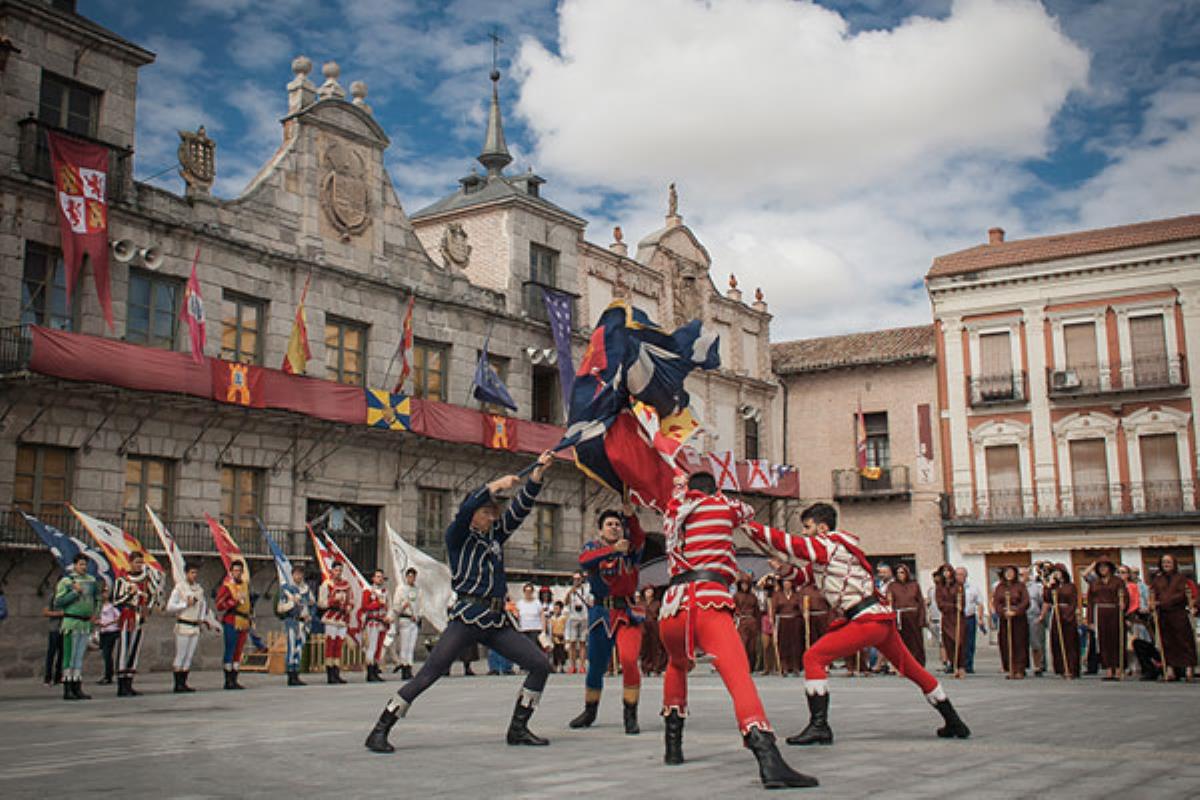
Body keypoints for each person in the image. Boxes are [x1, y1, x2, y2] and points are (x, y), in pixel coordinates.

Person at [365, 453, 555, 754]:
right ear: (474, 514)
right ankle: (380, 728)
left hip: (495, 620)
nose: (492, 517)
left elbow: (519, 511)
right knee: (430, 673)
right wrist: (495, 485)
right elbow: (465, 510)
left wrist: (536, 476)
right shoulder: (457, 537)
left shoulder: (494, 538)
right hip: (467, 616)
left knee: (540, 665)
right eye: (486, 512)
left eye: (493, 513)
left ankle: (518, 728)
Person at [749, 502, 969, 750]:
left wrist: (751, 525)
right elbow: (803, 577)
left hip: (865, 619)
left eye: (807, 527)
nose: (804, 532)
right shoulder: (834, 550)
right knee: (911, 669)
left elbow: (790, 544)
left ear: (822, 528)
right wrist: (783, 569)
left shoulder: (828, 544)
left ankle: (819, 726)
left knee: (813, 658)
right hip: (877, 618)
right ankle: (954, 721)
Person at [658, 472, 817, 789]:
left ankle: (673, 747)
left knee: (676, 665)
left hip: (672, 608)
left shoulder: (673, 510)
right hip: (708, 601)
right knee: (739, 676)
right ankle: (767, 757)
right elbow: (747, 511)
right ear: (715, 489)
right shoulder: (721, 506)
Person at [570, 504, 646, 735]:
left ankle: (630, 713)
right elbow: (585, 560)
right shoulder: (593, 548)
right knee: (596, 664)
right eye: (609, 524)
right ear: (601, 530)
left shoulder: (631, 549)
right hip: (601, 613)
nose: (614, 527)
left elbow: (639, 535)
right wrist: (612, 550)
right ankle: (590, 710)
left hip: (626, 612)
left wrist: (631, 516)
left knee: (629, 659)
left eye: (617, 524)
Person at [53, 553, 100, 700]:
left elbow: (97, 598)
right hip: (71, 622)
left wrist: (95, 614)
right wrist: (74, 592)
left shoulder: (91, 580)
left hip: (85, 623)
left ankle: (77, 685)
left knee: (79, 656)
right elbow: (58, 602)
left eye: (85, 564)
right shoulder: (67, 581)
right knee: (69, 656)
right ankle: (67, 687)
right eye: (81, 564)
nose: (83, 567)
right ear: (75, 565)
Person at [113, 551, 159, 696]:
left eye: (141, 562)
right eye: (136, 562)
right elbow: (116, 600)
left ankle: (129, 682)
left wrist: (148, 607)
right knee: (124, 649)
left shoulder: (146, 580)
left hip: (139, 617)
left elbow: (152, 596)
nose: (139, 565)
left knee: (134, 649)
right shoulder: (122, 580)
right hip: (127, 616)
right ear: (130, 562)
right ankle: (121, 685)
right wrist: (130, 594)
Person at [1150, 554, 1198, 681]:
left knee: (1184, 641)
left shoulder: (1181, 578)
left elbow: (1183, 594)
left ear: (1174, 564)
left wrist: (1164, 602)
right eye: (1164, 562)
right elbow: (1153, 594)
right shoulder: (1157, 580)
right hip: (1164, 615)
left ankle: (1188, 669)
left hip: (1178, 613)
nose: (1166, 564)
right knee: (1167, 642)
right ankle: (1170, 669)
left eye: (1169, 562)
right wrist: (1153, 604)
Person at [165, 563, 209, 693]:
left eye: (195, 573)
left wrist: (201, 618)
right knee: (181, 654)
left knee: (189, 655)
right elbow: (170, 606)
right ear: (186, 573)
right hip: (184, 623)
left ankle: (184, 682)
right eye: (191, 573)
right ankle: (177, 683)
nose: (194, 575)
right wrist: (185, 604)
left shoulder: (199, 589)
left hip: (194, 624)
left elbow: (203, 605)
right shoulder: (180, 588)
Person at [1087, 560, 1129, 681]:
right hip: (1100, 613)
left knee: (1116, 640)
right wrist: (1090, 620)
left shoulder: (1118, 581)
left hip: (1114, 612)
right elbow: (1090, 602)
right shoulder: (1095, 583)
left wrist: (1123, 604)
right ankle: (1109, 669)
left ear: (1110, 568)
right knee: (1104, 642)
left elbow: (1125, 596)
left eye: (1105, 567)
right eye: (1100, 567)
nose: (1103, 569)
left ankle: (1119, 668)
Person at [1039, 564, 1080, 679]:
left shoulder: (1070, 586)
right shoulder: (1054, 587)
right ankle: (1061, 667)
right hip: (1056, 614)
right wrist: (1048, 585)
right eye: (1054, 572)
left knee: (1069, 642)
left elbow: (1073, 602)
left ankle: (1071, 668)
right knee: (1057, 640)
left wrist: (1068, 615)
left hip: (1067, 615)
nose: (1056, 574)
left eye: (1058, 572)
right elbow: (1047, 598)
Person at [215, 560, 252, 690]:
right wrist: (233, 602)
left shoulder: (245, 585)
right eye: (235, 571)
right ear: (231, 572)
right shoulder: (227, 586)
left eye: (239, 571)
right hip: (232, 619)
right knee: (230, 649)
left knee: (239, 651)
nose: (237, 573)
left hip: (244, 620)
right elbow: (219, 605)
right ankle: (228, 679)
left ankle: (235, 678)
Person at [277, 566, 315, 686]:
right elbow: (280, 608)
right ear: (292, 575)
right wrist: (292, 603)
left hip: (303, 623)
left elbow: (312, 603)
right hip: (292, 621)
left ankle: (296, 672)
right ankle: (290, 673)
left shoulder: (306, 589)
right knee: (292, 647)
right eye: (296, 574)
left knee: (299, 648)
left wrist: (310, 615)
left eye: (300, 574)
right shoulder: (287, 589)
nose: (299, 576)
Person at [318, 560, 354, 684]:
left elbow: (351, 599)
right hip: (331, 618)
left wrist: (349, 606)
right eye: (336, 570)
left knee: (339, 645)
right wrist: (333, 601)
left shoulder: (346, 585)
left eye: (340, 570)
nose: (338, 573)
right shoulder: (327, 584)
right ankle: (330, 674)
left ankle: (336, 672)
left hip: (342, 618)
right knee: (331, 645)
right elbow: (321, 603)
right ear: (332, 571)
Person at [991, 565, 1030, 679]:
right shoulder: (1000, 587)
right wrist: (1003, 612)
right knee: (1006, 643)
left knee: (1019, 643)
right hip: (1005, 618)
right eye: (1007, 572)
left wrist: (1015, 611)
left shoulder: (1020, 586)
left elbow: (1026, 601)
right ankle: (1011, 668)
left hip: (1018, 619)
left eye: (1011, 572)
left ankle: (1020, 669)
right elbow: (996, 602)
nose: (1009, 574)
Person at [886, 564, 926, 666]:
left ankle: (918, 664)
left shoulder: (914, 585)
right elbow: (889, 602)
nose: (900, 575)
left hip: (913, 617)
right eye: (898, 573)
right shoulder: (892, 586)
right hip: (900, 617)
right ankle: (905, 665)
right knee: (903, 642)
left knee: (916, 642)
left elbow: (920, 602)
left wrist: (922, 618)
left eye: (902, 572)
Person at [934, 565, 967, 678]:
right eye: (944, 571)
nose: (946, 573)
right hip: (947, 617)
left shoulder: (958, 585)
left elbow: (962, 601)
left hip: (958, 617)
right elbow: (940, 603)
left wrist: (959, 606)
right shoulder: (940, 587)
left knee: (959, 641)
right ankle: (954, 665)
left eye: (948, 571)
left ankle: (961, 666)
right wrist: (952, 606)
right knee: (948, 642)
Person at [360, 569, 391, 683]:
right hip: (372, 622)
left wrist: (388, 617)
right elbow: (364, 606)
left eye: (381, 577)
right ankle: (370, 672)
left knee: (379, 647)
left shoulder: (385, 592)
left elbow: (388, 606)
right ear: (373, 578)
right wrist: (378, 604)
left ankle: (375, 670)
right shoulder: (368, 590)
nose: (380, 579)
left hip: (382, 622)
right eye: (377, 576)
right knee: (371, 647)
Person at [392, 567, 422, 680]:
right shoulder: (401, 589)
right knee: (404, 645)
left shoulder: (417, 590)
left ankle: (409, 666)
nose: (411, 579)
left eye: (413, 577)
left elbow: (420, 605)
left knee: (411, 646)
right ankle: (404, 667)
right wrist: (402, 607)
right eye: (409, 576)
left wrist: (418, 615)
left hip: (414, 620)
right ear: (406, 577)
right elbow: (396, 606)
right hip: (405, 618)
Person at [955, 566, 986, 674]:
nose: (959, 577)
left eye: (961, 574)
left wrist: (980, 618)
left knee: (969, 642)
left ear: (966, 576)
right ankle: (956, 663)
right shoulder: (952, 588)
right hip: (956, 618)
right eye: (957, 574)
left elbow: (980, 603)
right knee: (956, 641)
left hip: (969, 617)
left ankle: (968, 664)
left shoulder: (973, 588)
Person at [774, 577, 804, 677]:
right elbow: (773, 608)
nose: (787, 584)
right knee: (783, 644)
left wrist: (803, 610)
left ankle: (795, 666)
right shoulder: (778, 595)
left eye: (788, 583)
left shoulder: (796, 595)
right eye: (785, 583)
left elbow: (801, 607)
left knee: (795, 644)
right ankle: (784, 667)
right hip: (783, 621)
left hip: (794, 620)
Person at [1021, 566, 1046, 676]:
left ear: (1028, 575)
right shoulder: (1016, 587)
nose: (1021, 577)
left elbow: (1044, 602)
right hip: (1019, 617)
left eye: (1023, 574)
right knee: (1021, 644)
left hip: (1033, 616)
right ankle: (1022, 666)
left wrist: (1042, 616)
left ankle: (1038, 666)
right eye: (1019, 575)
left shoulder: (1036, 587)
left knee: (1036, 643)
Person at [734, 576, 762, 673]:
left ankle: (751, 666)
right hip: (742, 621)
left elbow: (757, 611)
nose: (744, 586)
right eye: (743, 584)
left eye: (746, 584)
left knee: (752, 646)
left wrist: (758, 625)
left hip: (752, 622)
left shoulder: (753, 597)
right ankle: (741, 666)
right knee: (743, 645)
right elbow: (733, 608)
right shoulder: (736, 596)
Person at [564, 572, 591, 675]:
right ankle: (572, 666)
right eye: (575, 579)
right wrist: (570, 593)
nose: (576, 581)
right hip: (573, 618)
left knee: (583, 643)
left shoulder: (586, 590)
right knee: (572, 643)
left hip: (584, 618)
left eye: (578, 579)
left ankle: (582, 666)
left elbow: (590, 602)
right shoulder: (570, 590)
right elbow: (565, 602)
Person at [640, 586, 666, 677]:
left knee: (656, 646)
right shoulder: (640, 604)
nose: (649, 593)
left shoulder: (657, 603)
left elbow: (660, 614)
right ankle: (646, 668)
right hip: (643, 625)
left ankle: (657, 668)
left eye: (650, 591)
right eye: (647, 591)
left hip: (655, 625)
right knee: (645, 648)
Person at [96, 586, 119, 685]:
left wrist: (108, 623)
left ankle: (108, 675)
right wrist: (98, 622)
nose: (103, 595)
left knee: (107, 653)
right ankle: (107, 674)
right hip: (102, 631)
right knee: (105, 654)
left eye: (105, 593)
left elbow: (118, 617)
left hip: (111, 631)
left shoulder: (112, 606)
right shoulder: (98, 607)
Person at [42, 600, 64, 687]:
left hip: (64, 628)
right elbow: (45, 612)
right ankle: (48, 678)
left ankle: (58, 677)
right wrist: (59, 614)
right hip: (54, 629)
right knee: (51, 653)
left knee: (62, 654)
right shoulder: (52, 596)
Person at [549, 601, 568, 671]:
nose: (555, 610)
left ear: (561, 609)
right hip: (554, 636)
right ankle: (555, 665)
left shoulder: (564, 618)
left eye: (557, 608)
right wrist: (550, 637)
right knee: (555, 652)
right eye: (554, 608)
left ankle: (562, 666)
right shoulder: (552, 618)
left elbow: (566, 628)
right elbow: (550, 628)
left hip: (561, 636)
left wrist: (566, 637)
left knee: (561, 651)